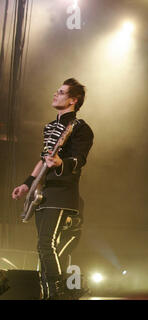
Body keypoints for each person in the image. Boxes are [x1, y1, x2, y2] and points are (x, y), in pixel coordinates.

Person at [12, 78, 93, 299]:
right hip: (44, 193)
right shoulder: (49, 127)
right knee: (43, 246)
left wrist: (61, 163)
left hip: (63, 193)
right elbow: (43, 160)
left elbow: (79, 160)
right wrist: (26, 184)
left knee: (47, 243)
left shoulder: (80, 128)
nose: (55, 94)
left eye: (61, 92)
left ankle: (58, 292)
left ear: (73, 100)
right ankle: (50, 292)